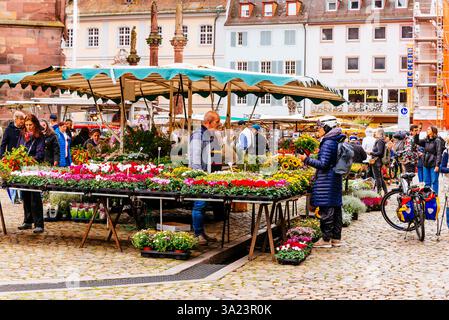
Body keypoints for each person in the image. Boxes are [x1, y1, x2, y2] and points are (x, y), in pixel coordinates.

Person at [298, 115, 346, 248]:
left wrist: (306, 159)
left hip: (327, 181)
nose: (317, 130)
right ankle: (336, 238)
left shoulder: (328, 142)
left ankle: (325, 240)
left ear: (326, 127)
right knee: (336, 210)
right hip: (334, 179)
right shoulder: (336, 140)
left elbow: (323, 164)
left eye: (319, 127)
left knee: (327, 210)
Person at [189, 111, 222, 245]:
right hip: (200, 176)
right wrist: (200, 176)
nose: (218, 125)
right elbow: (195, 157)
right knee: (199, 205)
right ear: (208, 122)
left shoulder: (207, 135)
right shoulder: (198, 135)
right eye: (216, 122)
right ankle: (197, 234)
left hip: (206, 175)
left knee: (202, 205)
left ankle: (201, 232)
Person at [17, 114, 45, 233]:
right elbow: (19, 147)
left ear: (35, 124)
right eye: (27, 125)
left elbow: (40, 153)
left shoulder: (40, 136)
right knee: (25, 195)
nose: (28, 127)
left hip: (34, 168)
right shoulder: (23, 135)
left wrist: (29, 159)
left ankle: (39, 224)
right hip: (24, 168)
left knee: (35, 196)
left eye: (30, 125)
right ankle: (28, 221)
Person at [414, 126, 443, 194]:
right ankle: (427, 197)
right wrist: (417, 134)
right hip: (426, 164)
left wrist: (437, 165)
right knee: (426, 182)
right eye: (427, 129)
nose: (427, 130)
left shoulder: (437, 140)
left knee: (434, 181)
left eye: (428, 129)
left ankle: (435, 198)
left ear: (433, 131)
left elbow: (439, 153)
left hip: (434, 164)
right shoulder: (426, 140)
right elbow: (416, 141)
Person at [369, 128, 388, 195]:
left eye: (376, 132)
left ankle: (378, 193)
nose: (375, 133)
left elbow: (380, 152)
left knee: (378, 177)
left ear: (380, 133)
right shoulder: (381, 141)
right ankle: (386, 192)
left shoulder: (380, 141)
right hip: (378, 161)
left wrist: (371, 153)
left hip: (377, 161)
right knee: (380, 177)